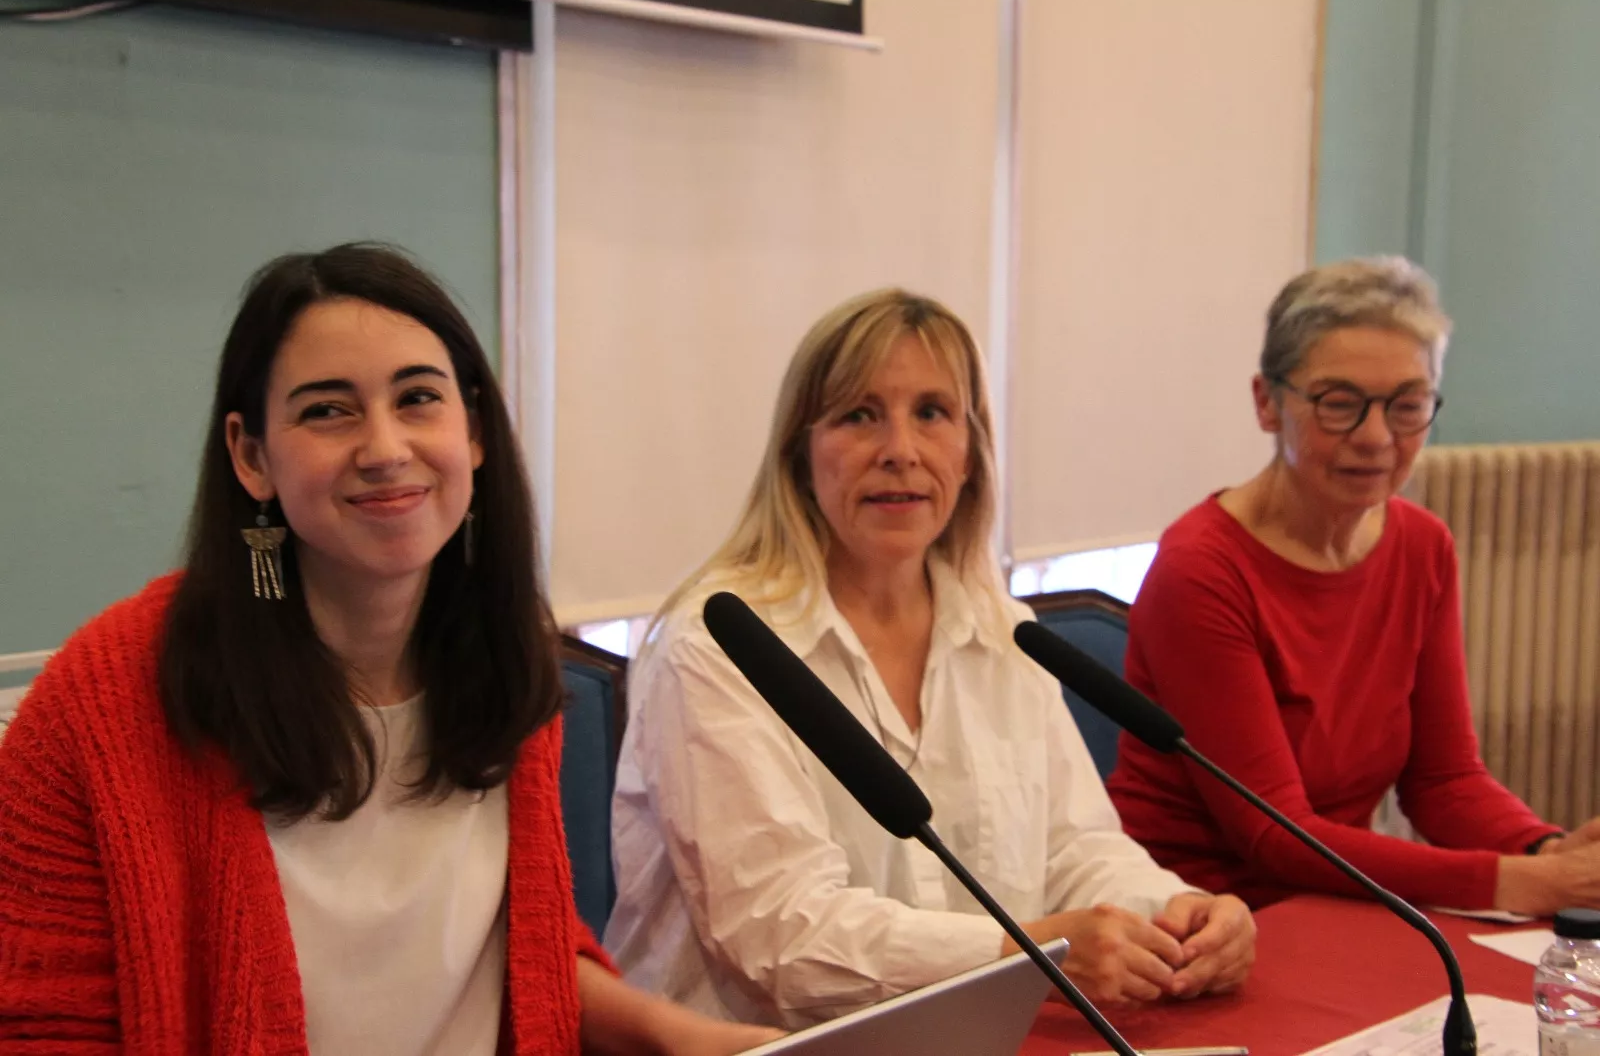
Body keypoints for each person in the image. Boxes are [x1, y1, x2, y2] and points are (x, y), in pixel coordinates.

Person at [0, 243, 779, 1055]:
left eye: (417, 399)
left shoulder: (504, 665)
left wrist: (675, 1036)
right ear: (251, 455)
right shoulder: (106, 701)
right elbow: (37, 1029)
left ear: (472, 430)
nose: (383, 448)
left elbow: (512, 954)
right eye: (328, 410)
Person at [604, 288, 1255, 1029]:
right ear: (799, 453)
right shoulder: (719, 647)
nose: (901, 451)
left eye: (932, 413)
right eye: (859, 415)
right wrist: (1033, 954)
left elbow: (1076, 850)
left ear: (970, 452)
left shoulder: (1002, 631)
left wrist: (1176, 915)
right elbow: (780, 938)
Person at [1107, 256, 1600, 916]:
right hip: (1197, 919)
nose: (1375, 438)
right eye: (1339, 404)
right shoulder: (1201, 567)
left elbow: (1445, 781)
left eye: (1407, 406)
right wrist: (1520, 883)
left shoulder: (1423, 545)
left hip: (1342, 904)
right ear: (1267, 403)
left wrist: (1547, 852)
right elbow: (1272, 834)